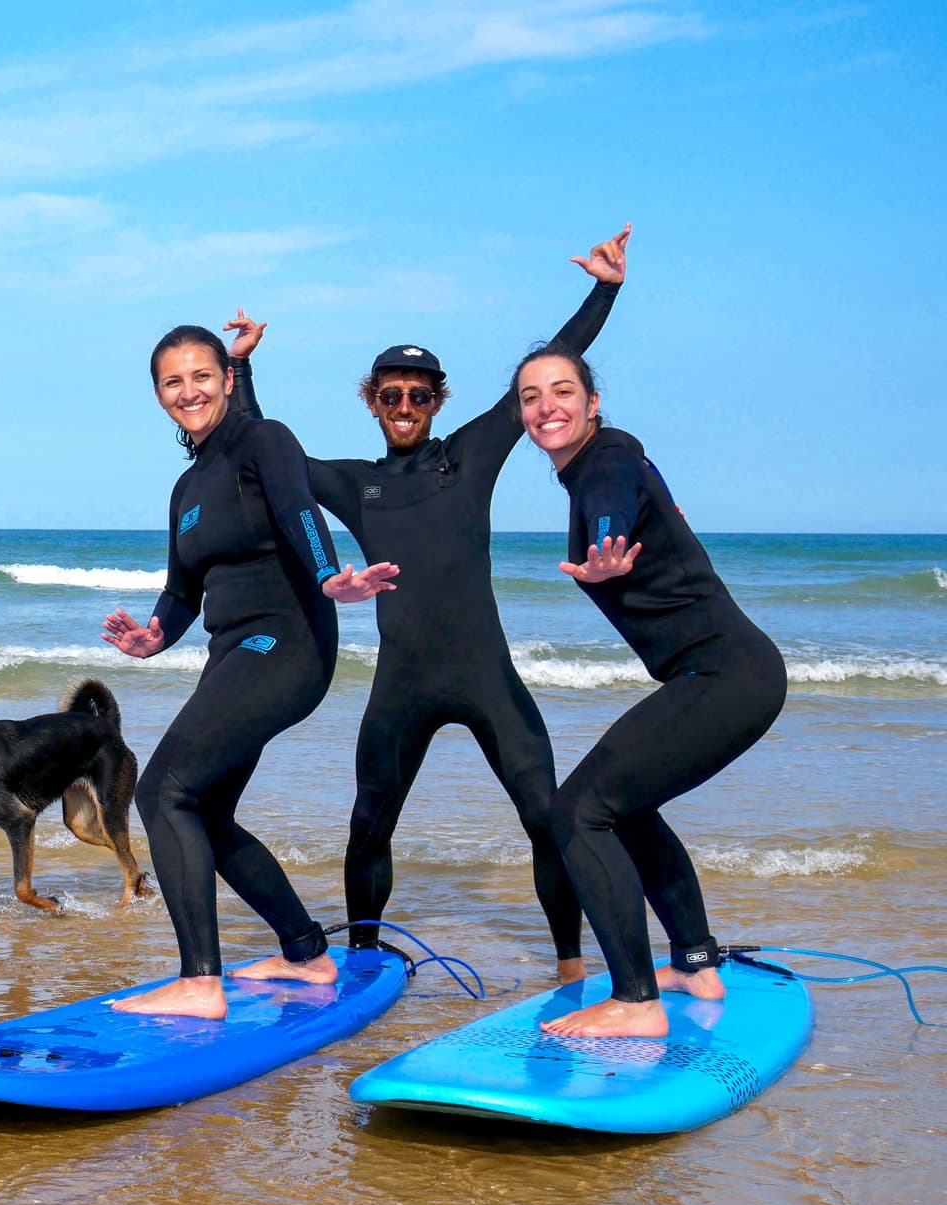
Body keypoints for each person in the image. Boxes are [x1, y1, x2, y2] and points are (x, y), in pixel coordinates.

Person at [230, 225, 629, 982]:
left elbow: (546, 373)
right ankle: (360, 963)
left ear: (437, 401)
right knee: (368, 825)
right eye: (392, 395)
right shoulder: (357, 483)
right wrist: (245, 370)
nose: (405, 405)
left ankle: (572, 966)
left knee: (548, 821)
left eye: (418, 395)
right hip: (402, 685)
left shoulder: (469, 455)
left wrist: (604, 289)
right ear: (373, 403)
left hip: (486, 677)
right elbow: (275, 459)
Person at [101, 324, 397, 1020]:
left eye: (201, 375)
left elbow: (299, 509)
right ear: (159, 395)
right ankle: (306, 953)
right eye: (173, 382)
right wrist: (152, 637)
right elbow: (182, 591)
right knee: (202, 808)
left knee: (161, 791)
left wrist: (329, 576)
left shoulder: (264, 441)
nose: (189, 391)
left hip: (287, 643)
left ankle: (200, 982)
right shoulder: (187, 488)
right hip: (232, 652)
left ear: (227, 379)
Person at [514, 345, 785, 1037]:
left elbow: (611, 502)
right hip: (729, 674)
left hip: (725, 674)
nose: (547, 405)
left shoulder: (603, 461)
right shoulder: (615, 458)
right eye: (531, 396)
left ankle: (636, 1002)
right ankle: (694, 961)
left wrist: (608, 545)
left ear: (592, 403)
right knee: (625, 810)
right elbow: (625, 483)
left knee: (577, 812)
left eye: (563, 390)